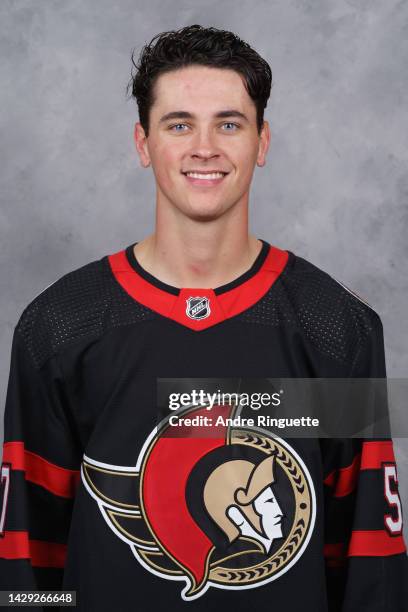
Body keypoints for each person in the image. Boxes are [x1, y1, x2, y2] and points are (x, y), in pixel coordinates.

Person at [0, 23, 407, 611]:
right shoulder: (59, 325)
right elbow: (27, 558)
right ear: (143, 143)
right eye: (179, 124)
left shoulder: (339, 328)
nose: (204, 148)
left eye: (230, 123)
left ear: (262, 142)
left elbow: (370, 562)